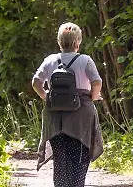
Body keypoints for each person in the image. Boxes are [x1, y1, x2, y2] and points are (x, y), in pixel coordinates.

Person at [31, 22, 104, 187]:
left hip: (55, 117)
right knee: (79, 160)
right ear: (78, 41)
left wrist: (46, 96)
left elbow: (36, 82)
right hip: (80, 117)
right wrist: (93, 97)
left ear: (59, 42)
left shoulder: (50, 60)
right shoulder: (85, 60)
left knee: (60, 161)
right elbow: (97, 81)